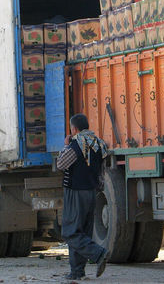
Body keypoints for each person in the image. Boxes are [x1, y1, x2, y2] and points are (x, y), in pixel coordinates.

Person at [56, 113, 108, 280]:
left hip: (75, 191)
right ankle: (77, 272)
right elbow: (102, 170)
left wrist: (65, 146)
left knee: (70, 232)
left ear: (74, 129)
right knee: (83, 232)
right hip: (91, 192)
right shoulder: (98, 144)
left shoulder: (76, 144)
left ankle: (98, 254)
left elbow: (61, 164)